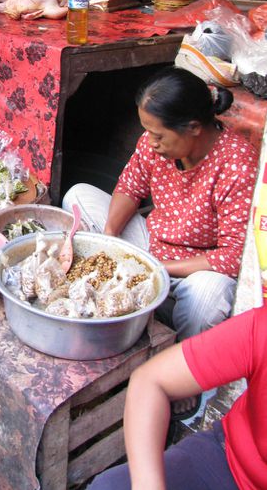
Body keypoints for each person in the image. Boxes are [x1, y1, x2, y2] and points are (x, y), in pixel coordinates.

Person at [62, 66, 258, 341]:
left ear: (193, 128)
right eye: (148, 132)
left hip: (196, 270)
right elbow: (130, 187)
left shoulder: (237, 164)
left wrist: (157, 268)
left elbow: (233, 255)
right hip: (152, 245)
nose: (150, 142)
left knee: (207, 298)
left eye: (158, 135)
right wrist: (110, 241)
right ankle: (131, 295)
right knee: (78, 195)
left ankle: (180, 354)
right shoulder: (153, 144)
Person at [88, 304, 267, 490]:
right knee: (109, 486)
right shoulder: (261, 328)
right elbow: (150, 380)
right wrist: (148, 485)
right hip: (230, 459)